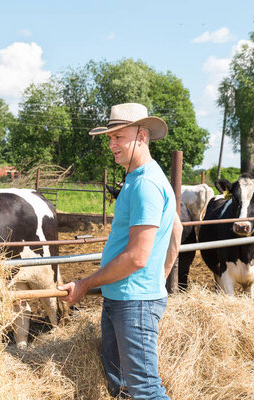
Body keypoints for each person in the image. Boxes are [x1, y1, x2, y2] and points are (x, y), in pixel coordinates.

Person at [58, 103, 182, 399]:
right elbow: (176, 228)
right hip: (124, 297)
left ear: (141, 136)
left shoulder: (146, 185)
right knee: (122, 385)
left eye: (119, 137)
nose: (112, 144)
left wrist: (85, 283)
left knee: (145, 389)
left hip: (134, 303)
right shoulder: (137, 178)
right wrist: (160, 277)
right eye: (110, 137)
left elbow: (138, 256)